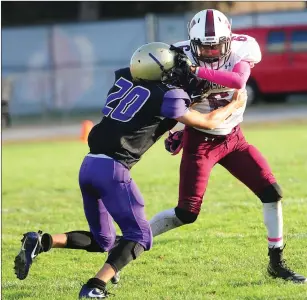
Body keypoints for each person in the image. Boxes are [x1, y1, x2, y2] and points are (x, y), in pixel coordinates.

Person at [14, 42, 247, 298]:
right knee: (140, 235)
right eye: (172, 68)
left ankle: (41, 241)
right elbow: (207, 121)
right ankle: (95, 287)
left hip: (89, 165)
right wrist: (234, 105)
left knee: (104, 241)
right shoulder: (168, 96)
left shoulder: (126, 79)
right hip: (113, 170)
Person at [149, 9, 306, 284]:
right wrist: (178, 131)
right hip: (200, 141)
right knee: (186, 213)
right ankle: (127, 243)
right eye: (205, 46)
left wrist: (197, 70)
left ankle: (276, 263)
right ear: (193, 42)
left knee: (272, 192)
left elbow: (238, 81)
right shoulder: (177, 57)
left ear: (228, 39)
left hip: (233, 139)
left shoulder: (241, 49)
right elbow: (173, 102)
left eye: (216, 45)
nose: (211, 51)